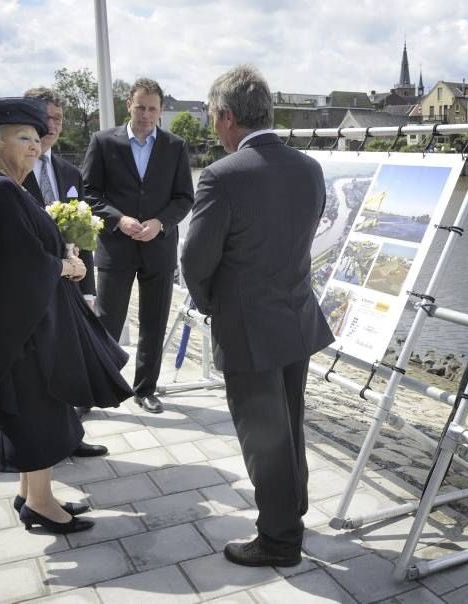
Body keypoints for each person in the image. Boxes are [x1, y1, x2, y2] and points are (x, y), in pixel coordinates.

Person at [181, 65, 333, 567]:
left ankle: (279, 539)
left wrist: (209, 303)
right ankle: (293, 507)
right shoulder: (309, 168)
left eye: (210, 117)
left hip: (248, 325)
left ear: (226, 117)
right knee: (289, 422)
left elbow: (194, 260)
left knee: (262, 436)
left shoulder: (223, 177)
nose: (210, 127)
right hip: (295, 316)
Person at [0, 97, 133, 534]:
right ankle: (39, 504)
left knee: (37, 411)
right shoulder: (2, 191)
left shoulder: (11, 188)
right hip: (29, 330)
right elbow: (19, 264)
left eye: (38, 139)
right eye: (24, 138)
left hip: (34, 323)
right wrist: (64, 266)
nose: (34, 146)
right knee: (39, 412)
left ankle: (32, 493)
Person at [81, 78, 194, 414]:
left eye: (153, 109)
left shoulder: (175, 146)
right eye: (141, 106)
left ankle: (145, 389)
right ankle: (96, 389)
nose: (146, 114)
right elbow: (89, 193)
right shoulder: (103, 142)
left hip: (158, 248)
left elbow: (184, 197)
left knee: (154, 322)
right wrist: (119, 219)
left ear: (160, 111)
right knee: (107, 323)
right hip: (117, 247)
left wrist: (161, 223)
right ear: (129, 103)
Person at [22, 87, 108, 459]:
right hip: (28, 287)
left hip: (68, 284)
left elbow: (84, 232)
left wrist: (88, 287)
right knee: (32, 372)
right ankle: (29, 449)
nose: (53, 125)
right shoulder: (10, 168)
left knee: (65, 362)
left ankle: (69, 437)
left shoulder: (70, 171)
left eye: (58, 118)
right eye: (46, 117)